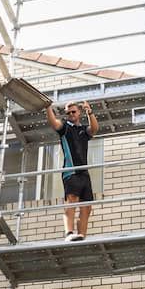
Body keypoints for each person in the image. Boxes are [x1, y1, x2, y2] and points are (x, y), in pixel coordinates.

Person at [46, 98, 99, 241]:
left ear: (79, 112)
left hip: (84, 172)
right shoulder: (65, 128)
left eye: (73, 111)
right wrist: (47, 107)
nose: (71, 114)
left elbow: (94, 129)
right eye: (68, 112)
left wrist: (90, 112)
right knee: (72, 200)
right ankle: (69, 233)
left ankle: (81, 235)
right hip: (71, 171)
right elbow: (53, 123)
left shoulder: (82, 129)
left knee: (86, 207)